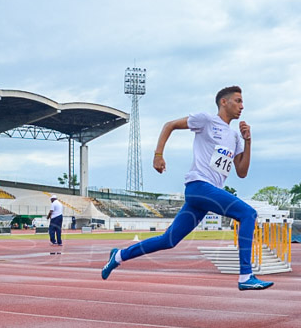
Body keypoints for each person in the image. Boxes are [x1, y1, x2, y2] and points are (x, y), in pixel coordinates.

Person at [101, 86, 273, 290]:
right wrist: (158, 155)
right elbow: (170, 125)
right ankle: (246, 276)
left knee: (169, 240)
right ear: (223, 102)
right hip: (199, 186)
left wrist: (248, 141)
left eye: (243, 102)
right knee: (248, 214)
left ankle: (119, 255)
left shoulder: (235, 137)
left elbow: (242, 172)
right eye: (238, 101)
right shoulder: (207, 120)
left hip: (205, 195)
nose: (242, 106)